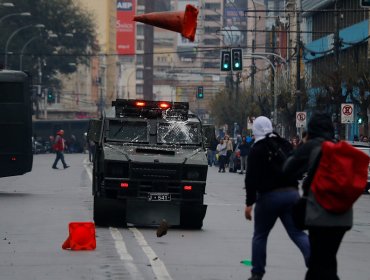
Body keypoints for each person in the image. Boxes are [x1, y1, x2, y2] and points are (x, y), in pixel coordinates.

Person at [283, 112, 352, 280]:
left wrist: (302, 146)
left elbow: (287, 169)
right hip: (343, 216)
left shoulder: (312, 145)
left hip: (320, 215)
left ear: (311, 128)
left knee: (318, 265)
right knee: (327, 261)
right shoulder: (339, 146)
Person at [244, 116, 310, 280]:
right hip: (291, 194)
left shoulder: (257, 148)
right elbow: (297, 166)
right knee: (297, 233)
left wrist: (249, 203)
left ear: (256, 129)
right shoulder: (285, 144)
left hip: (269, 197)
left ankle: (257, 273)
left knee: (260, 235)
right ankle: (316, 263)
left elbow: (251, 178)